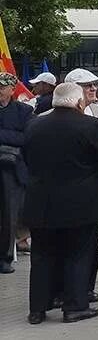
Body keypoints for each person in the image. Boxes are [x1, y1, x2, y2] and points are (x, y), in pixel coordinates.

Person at [23, 83, 98, 324]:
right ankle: (75, 306)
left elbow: (27, 158)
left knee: (42, 254)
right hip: (81, 203)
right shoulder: (92, 126)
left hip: (40, 201)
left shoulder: (34, 124)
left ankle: (38, 308)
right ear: (78, 103)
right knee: (78, 254)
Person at [0, 72, 34, 275]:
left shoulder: (24, 111)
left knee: (9, 215)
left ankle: (4, 257)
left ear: (12, 90)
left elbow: (27, 138)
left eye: (2, 87)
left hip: (11, 171)